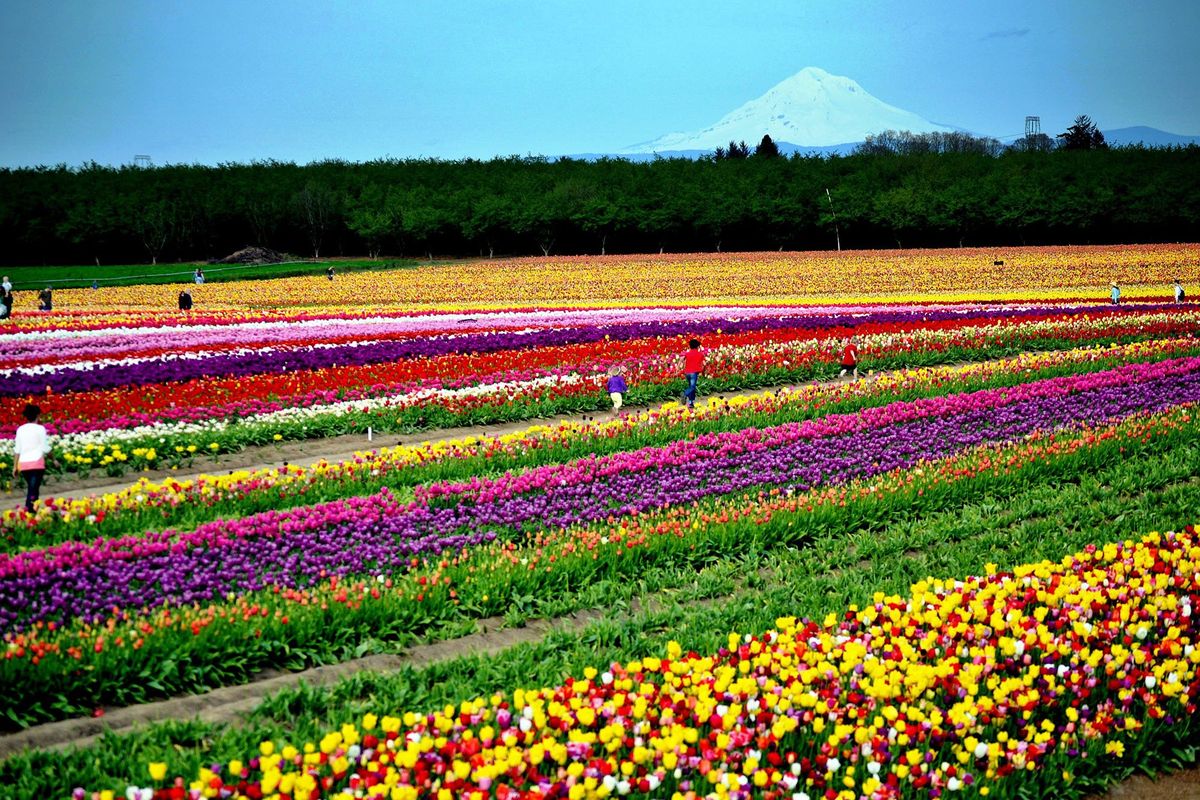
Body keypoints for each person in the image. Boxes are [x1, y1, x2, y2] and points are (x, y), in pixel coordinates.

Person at [13, 403, 50, 513]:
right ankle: (29, 512)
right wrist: (54, 459)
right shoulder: (40, 429)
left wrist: (15, 466)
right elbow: (45, 447)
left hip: (24, 464)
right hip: (36, 463)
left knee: (32, 488)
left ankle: (33, 512)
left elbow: (17, 449)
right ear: (38, 415)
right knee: (33, 490)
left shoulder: (21, 429)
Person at [681, 339, 704, 410]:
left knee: (691, 387)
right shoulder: (700, 354)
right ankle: (685, 393)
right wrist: (704, 372)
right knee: (692, 387)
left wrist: (678, 368)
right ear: (697, 346)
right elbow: (704, 364)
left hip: (687, 373)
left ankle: (691, 403)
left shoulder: (687, 353)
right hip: (694, 373)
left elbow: (681, 359)